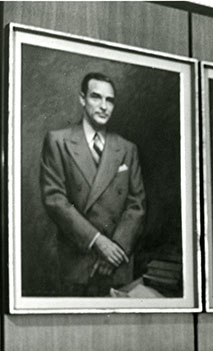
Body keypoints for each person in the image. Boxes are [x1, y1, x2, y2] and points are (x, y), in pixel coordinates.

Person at [40, 72, 146, 296]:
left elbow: (136, 206)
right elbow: (55, 200)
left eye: (110, 100)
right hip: (77, 263)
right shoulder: (58, 141)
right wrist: (98, 242)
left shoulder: (128, 149)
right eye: (96, 97)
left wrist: (115, 249)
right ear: (82, 99)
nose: (104, 106)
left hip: (117, 265)